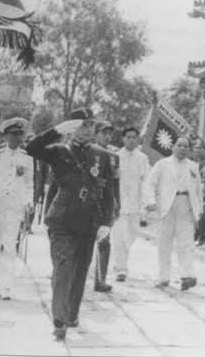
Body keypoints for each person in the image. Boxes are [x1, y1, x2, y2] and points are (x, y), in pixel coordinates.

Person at [25, 108, 115, 340]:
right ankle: (60, 319)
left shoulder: (103, 156)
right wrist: (56, 130)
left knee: (80, 271)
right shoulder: (58, 151)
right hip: (62, 220)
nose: (87, 129)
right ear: (72, 126)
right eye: (82, 125)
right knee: (63, 269)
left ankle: (71, 314)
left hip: (89, 221)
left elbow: (109, 193)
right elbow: (31, 149)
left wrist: (106, 222)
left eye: (90, 125)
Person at [144, 136, 203, 290]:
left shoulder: (193, 167)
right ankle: (163, 278)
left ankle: (187, 276)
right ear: (173, 147)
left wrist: (199, 211)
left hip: (186, 205)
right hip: (167, 206)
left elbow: (198, 191)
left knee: (186, 243)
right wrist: (150, 201)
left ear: (189, 150)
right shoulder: (163, 164)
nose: (183, 148)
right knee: (164, 244)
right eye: (180, 145)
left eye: (186, 146)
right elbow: (150, 183)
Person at [0, 117, 33, 300]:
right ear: (5, 136)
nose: (16, 138)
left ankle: (6, 285)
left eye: (19, 134)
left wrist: (29, 202)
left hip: (14, 206)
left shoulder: (27, 158)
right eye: (12, 134)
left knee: (10, 245)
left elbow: (30, 184)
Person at [113, 127, 150, 282]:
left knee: (131, 236)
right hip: (119, 203)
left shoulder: (142, 158)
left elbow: (147, 181)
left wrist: (147, 204)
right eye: (128, 137)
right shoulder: (115, 157)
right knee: (119, 236)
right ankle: (121, 267)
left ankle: (120, 262)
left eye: (134, 137)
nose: (131, 140)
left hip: (135, 204)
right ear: (123, 139)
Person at [92, 120, 120, 292]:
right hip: (87, 201)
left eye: (109, 133)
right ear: (96, 134)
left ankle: (100, 279)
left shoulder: (114, 157)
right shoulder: (87, 152)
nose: (107, 137)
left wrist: (117, 203)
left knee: (105, 240)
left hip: (106, 202)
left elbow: (116, 182)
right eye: (103, 133)